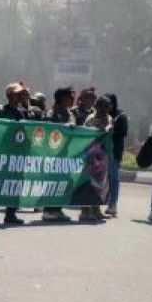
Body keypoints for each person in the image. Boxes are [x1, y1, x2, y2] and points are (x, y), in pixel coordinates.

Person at [0, 83, 26, 226]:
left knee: (15, 184)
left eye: (20, 94)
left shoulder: (21, 113)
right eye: (17, 94)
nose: (19, 97)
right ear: (9, 96)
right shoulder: (1, 113)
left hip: (17, 155)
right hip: (2, 155)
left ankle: (10, 215)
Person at [43, 87, 77, 222]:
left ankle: (57, 208)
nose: (72, 99)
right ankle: (48, 210)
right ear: (62, 98)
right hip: (53, 154)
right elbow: (47, 130)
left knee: (64, 182)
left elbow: (73, 126)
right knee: (52, 181)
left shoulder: (69, 113)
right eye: (70, 97)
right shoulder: (51, 114)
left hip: (65, 154)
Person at [79, 96, 113, 221]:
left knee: (101, 183)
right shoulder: (91, 119)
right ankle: (85, 211)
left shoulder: (109, 118)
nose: (108, 108)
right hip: (91, 155)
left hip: (103, 155)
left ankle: (96, 209)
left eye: (109, 106)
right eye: (105, 105)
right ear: (98, 106)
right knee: (89, 183)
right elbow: (87, 135)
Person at [104, 93, 128, 217]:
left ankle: (113, 204)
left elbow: (123, 132)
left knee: (113, 178)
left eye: (108, 104)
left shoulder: (121, 116)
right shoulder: (101, 114)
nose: (106, 106)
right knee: (104, 178)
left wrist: (111, 129)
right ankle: (104, 202)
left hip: (114, 151)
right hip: (101, 151)